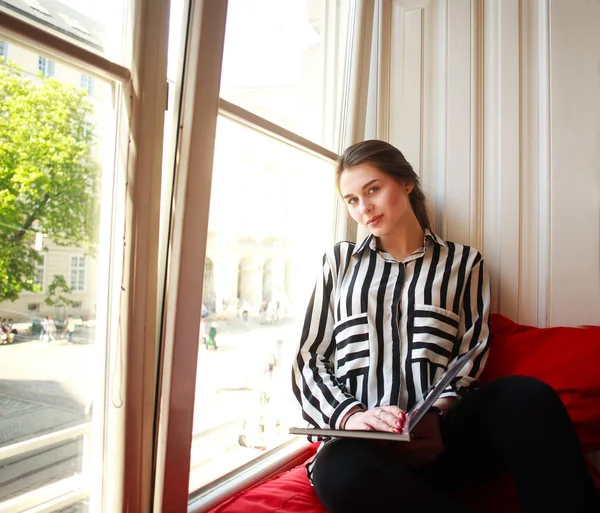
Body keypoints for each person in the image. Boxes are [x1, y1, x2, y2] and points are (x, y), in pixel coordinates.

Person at [291, 140, 599, 513]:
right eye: (351, 199)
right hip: (361, 448)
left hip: (441, 443)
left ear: (405, 183)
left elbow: (471, 351)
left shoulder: (464, 263)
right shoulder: (339, 262)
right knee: (339, 473)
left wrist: (438, 412)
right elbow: (310, 359)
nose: (364, 208)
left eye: (372, 189)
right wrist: (354, 416)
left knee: (526, 397)